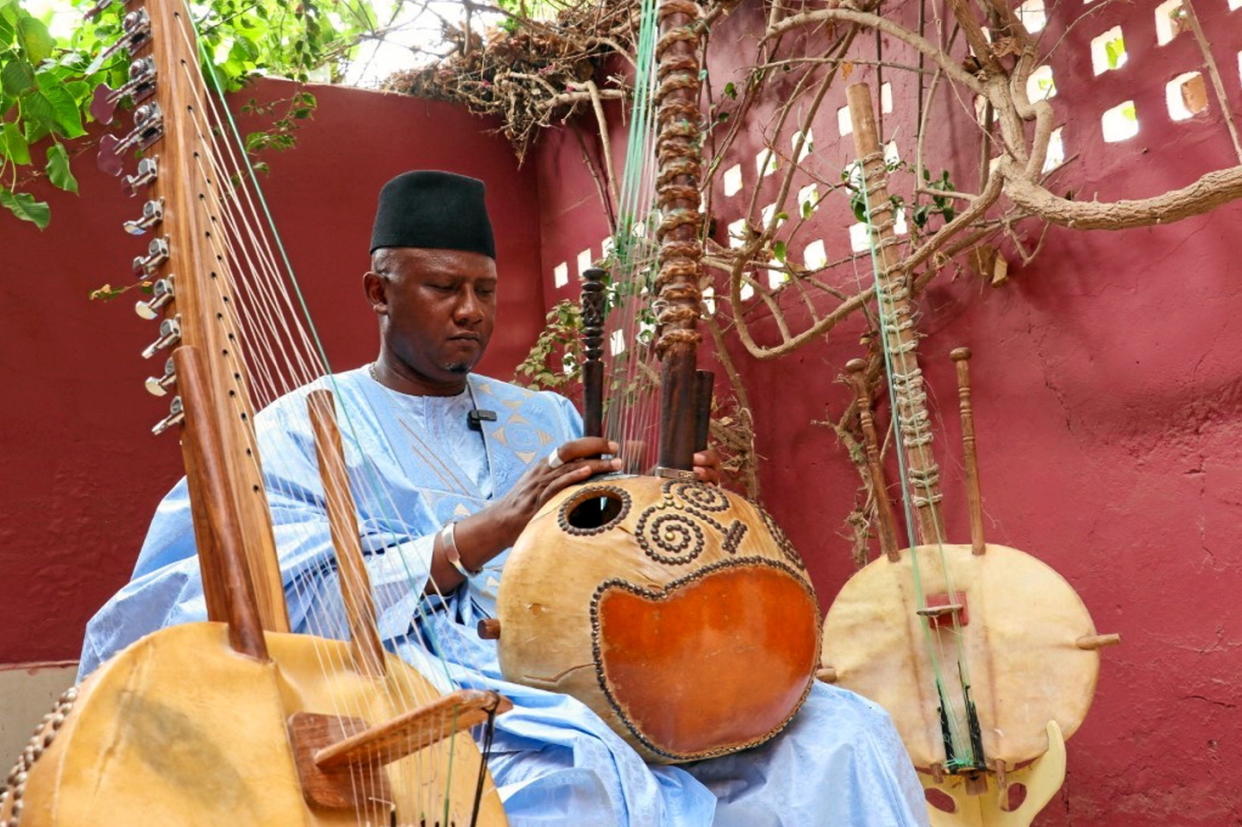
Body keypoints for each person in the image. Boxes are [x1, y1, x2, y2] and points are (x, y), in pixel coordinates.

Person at [80, 171, 928, 826]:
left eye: (485, 290)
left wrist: (673, 505)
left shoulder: (539, 413)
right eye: (443, 288)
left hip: (612, 660)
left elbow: (604, 554)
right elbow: (263, 605)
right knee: (581, 782)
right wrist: (478, 536)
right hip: (433, 687)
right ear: (380, 291)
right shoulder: (298, 428)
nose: (472, 312)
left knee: (846, 732)